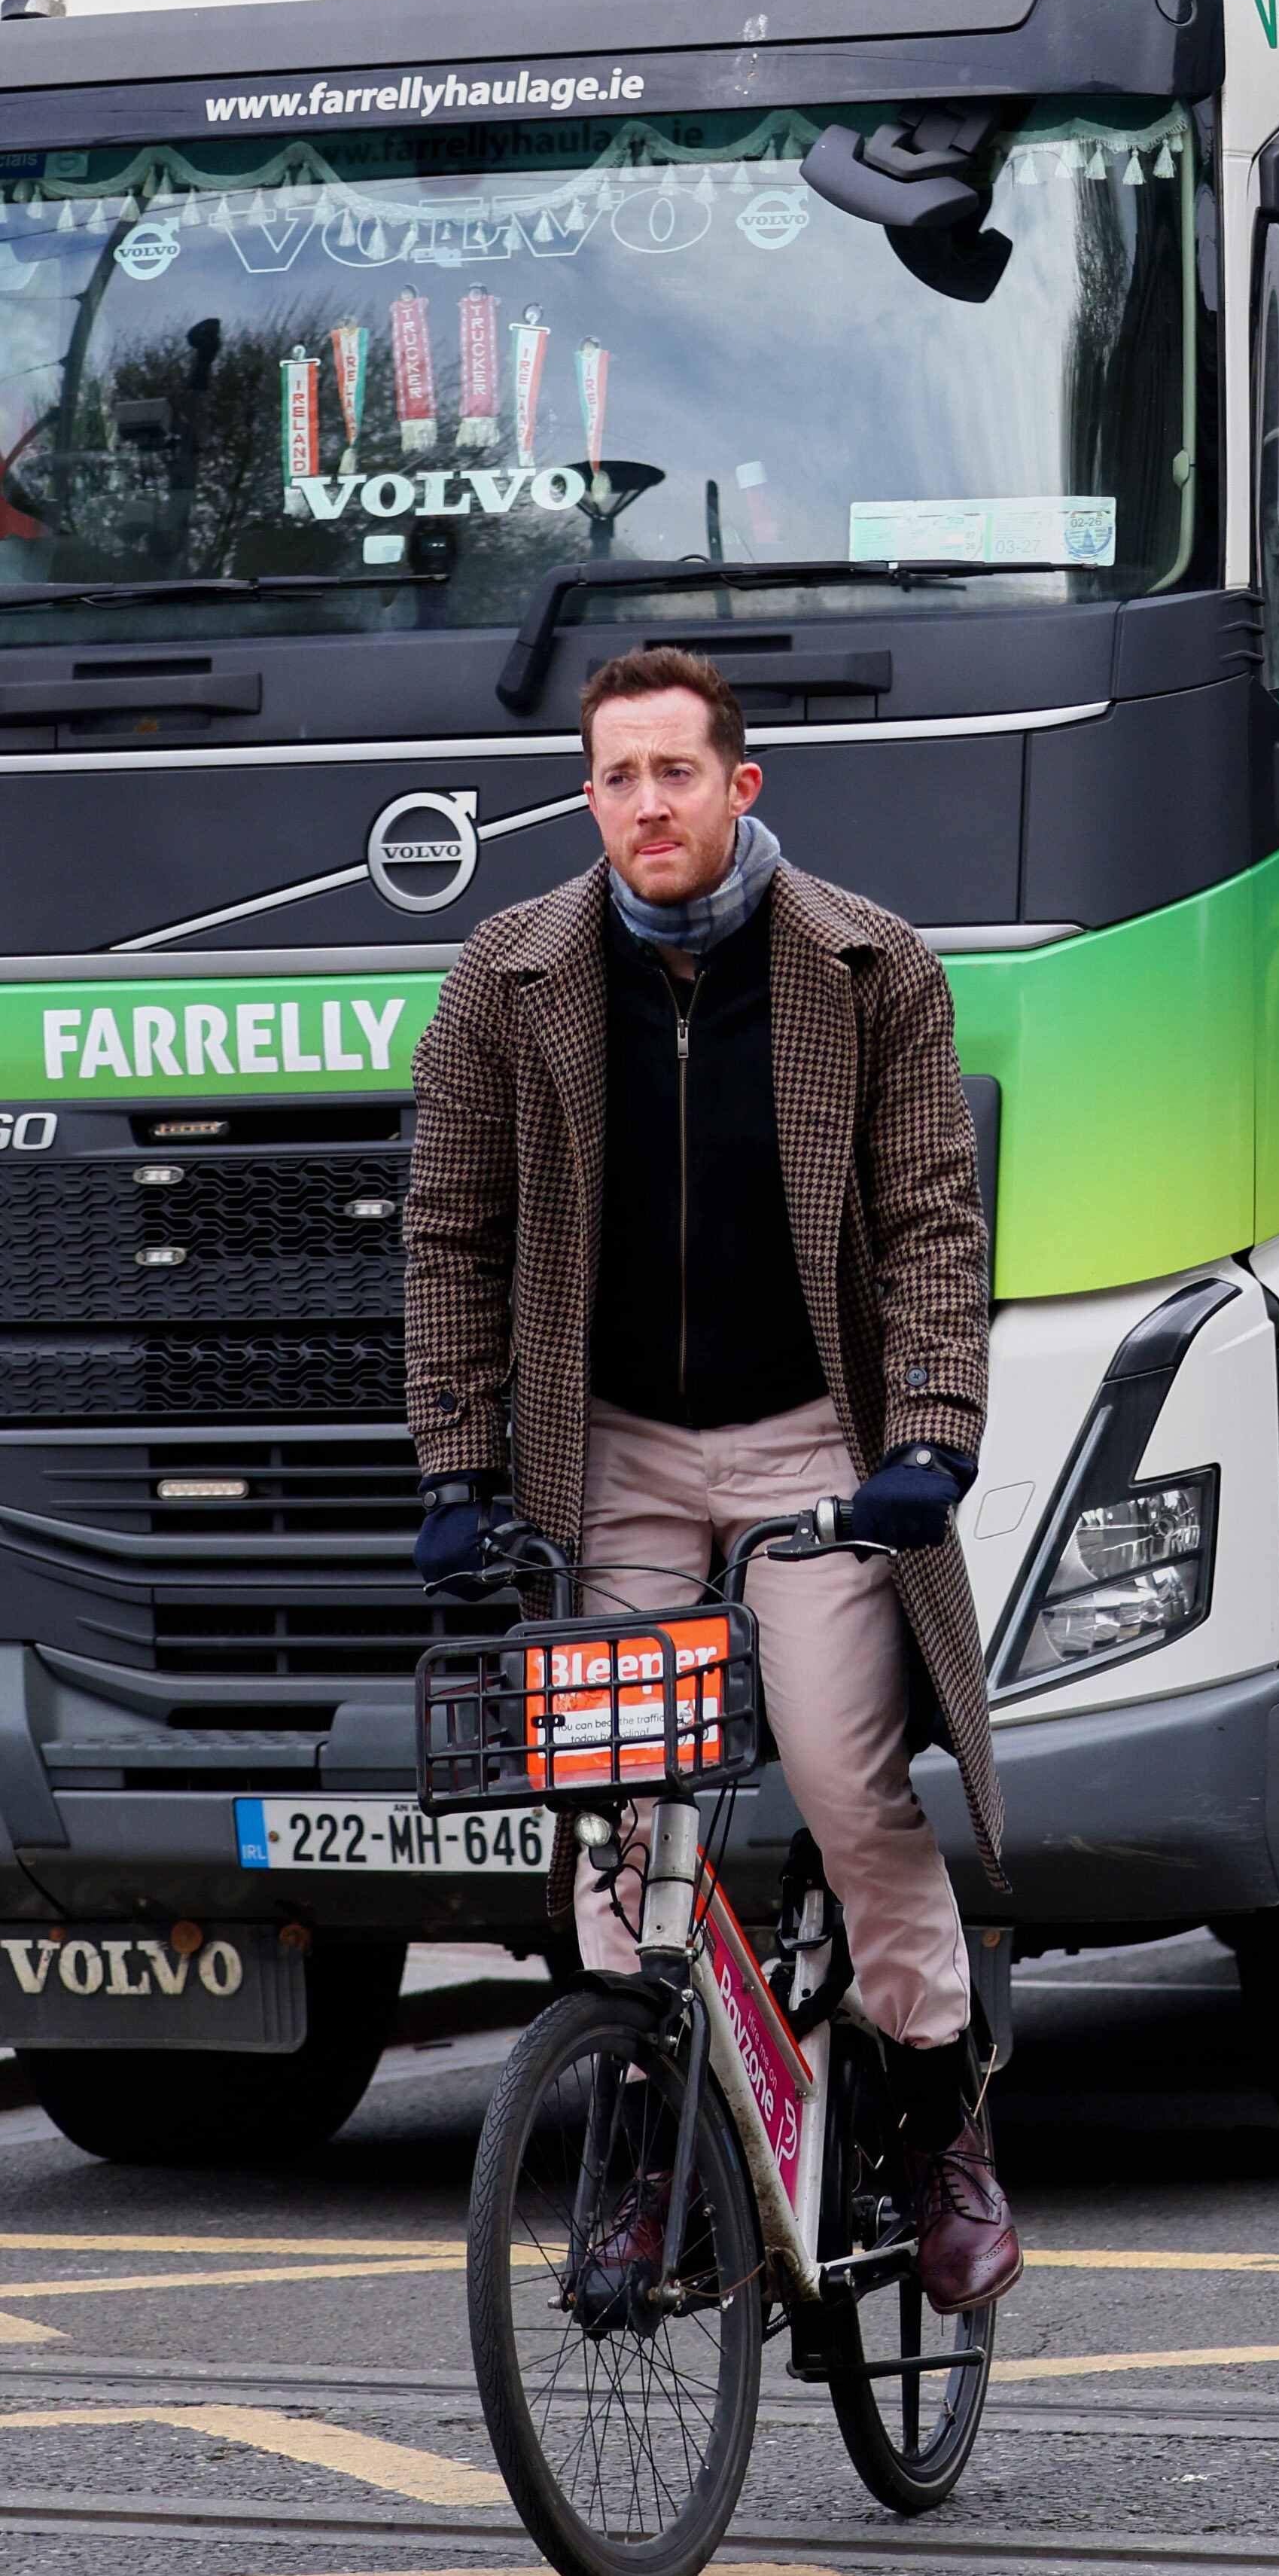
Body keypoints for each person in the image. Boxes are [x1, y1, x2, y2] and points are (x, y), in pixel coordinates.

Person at [399, 647, 1016, 2309]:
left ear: (743, 788)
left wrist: (931, 1436)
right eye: (617, 777)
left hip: (815, 1441)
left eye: (677, 772)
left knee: (836, 1769)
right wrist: (460, 1464)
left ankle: (939, 2123)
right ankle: (648, 2145)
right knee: (616, 1809)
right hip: (615, 1460)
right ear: (586, 795)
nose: (646, 804)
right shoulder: (505, 977)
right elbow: (452, 1235)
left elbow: (934, 1223)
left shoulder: (869, 964)